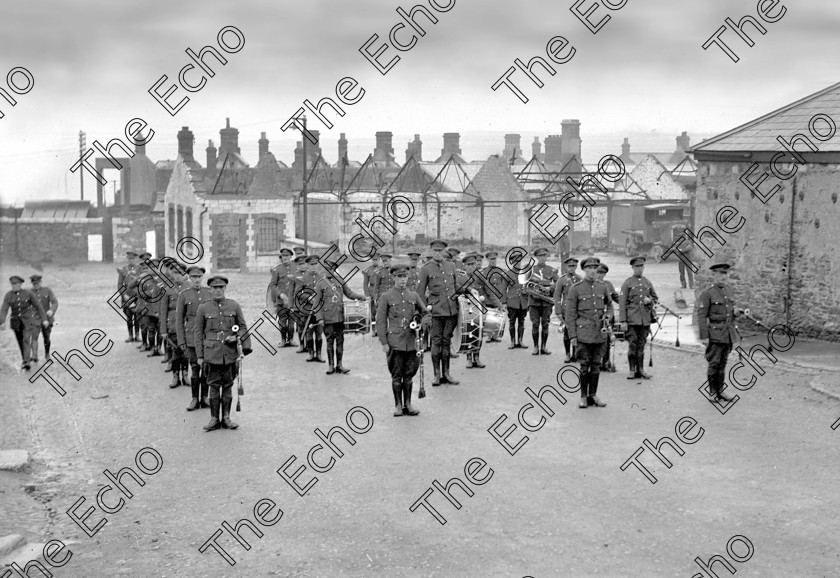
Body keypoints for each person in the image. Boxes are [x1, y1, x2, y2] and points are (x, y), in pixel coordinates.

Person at [195, 275, 252, 431]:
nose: (218, 291)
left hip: (229, 353)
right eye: (215, 288)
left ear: (225, 288)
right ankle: (214, 419)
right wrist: (200, 356)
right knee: (213, 386)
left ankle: (226, 418)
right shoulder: (203, 308)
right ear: (210, 289)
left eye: (221, 288)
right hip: (211, 354)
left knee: (227, 386)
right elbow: (198, 333)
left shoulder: (234, 306)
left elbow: (243, 327)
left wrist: (237, 337)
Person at [377, 265, 428, 416]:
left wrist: (421, 324)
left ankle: (408, 404)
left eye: (405, 277)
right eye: (399, 277)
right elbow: (380, 321)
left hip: (411, 341)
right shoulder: (386, 296)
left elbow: (426, 314)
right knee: (396, 374)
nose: (402, 280)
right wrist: (384, 343)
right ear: (393, 278)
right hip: (395, 341)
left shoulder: (413, 295)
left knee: (409, 374)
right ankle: (398, 405)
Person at [416, 239, 468, 386]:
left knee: (446, 342)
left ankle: (447, 373)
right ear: (431, 251)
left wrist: (469, 291)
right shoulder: (426, 269)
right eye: (435, 251)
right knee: (436, 342)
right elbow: (419, 294)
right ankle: (436, 375)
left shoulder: (450, 266)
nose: (438, 253)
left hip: (451, 310)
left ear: (445, 251)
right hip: (436, 312)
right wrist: (425, 313)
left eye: (440, 251)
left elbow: (455, 285)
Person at [565, 257, 611, 408]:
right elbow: (570, 315)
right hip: (583, 334)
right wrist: (572, 336)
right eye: (590, 268)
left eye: (595, 268)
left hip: (599, 334)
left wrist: (608, 316)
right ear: (584, 270)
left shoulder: (602, 287)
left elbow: (609, 305)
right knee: (584, 366)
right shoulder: (576, 288)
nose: (593, 271)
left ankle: (593, 395)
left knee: (596, 366)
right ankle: (583, 396)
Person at [697, 261, 744, 402]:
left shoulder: (729, 291)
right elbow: (701, 316)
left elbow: (730, 312)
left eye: (725, 274)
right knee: (714, 363)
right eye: (720, 274)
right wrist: (704, 337)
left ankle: (720, 391)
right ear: (714, 275)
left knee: (723, 363)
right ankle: (712, 392)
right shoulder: (707, 294)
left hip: (727, 333)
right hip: (715, 334)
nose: (723, 277)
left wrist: (736, 312)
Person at [315, 258, 366, 374]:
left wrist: (362, 297)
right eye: (327, 269)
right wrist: (320, 318)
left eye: (331, 269)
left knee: (340, 341)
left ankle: (340, 365)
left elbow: (350, 294)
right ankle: (331, 366)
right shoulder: (320, 284)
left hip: (339, 316)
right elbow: (316, 303)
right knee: (329, 341)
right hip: (327, 318)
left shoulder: (340, 281)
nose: (329, 271)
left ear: (334, 269)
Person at [176, 266, 212, 411]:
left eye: (199, 277)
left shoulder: (209, 293)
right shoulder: (183, 295)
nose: (197, 280)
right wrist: (181, 341)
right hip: (191, 338)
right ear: (189, 278)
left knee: (207, 369)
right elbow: (179, 320)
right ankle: (194, 399)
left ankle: (205, 396)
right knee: (195, 368)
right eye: (193, 277)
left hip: (207, 337)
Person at [619, 256, 659, 380]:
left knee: (641, 345)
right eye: (637, 267)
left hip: (644, 319)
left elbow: (656, 299)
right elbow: (622, 303)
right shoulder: (628, 283)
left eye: (641, 266)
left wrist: (650, 300)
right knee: (633, 344)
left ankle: (640, 370)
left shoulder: (647, 282)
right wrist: (623, 321)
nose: (639, 269)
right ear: (632, 267)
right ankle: (632, 370)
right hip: (632, 319)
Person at [0, 275, 48, 370]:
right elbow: (4, 309)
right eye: (12, 284)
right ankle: (25, 359)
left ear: (20, 284)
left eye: (16, 284)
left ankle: (26, 362)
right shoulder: (8, 295)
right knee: (20, 341)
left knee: (26, 339)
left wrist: (44, 319)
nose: (14, 286)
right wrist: (2, 322)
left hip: (28, 322)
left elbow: (38, 306)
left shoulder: (28, 293)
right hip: (16, 323)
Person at [160, 262, 188, 388]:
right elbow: (163, 311)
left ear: (184, 274)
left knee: (186, 351)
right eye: (175, 273)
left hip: (187, 324)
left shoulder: (189, 288)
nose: (177, 276)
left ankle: (185, 375)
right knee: (175, 351)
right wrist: (163, 330)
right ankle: (176, 376)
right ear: (172, 274)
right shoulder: (167, 289)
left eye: (180, 273)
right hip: (172, 324)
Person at [527, 247, 558, 355]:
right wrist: (534, 289)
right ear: (536, 257)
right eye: (540, 256)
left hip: (546, 302)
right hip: (534, 302)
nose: (542, 258)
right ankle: (536, 347)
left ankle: (543, 347)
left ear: (546, 257)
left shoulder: (552, 270)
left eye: (544, 256)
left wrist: (550, 288)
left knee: (545, 325)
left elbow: (557, 283)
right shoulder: (531, 270)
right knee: (535, 324)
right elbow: (525, 285)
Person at [553, 257, 581, 362]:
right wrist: (558, 311)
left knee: (577, 332)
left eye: (573, 266)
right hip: (566, 310)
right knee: (567, 333)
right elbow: (557, 296)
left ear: (576, 267)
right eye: (569, 266)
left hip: (578, 310)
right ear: (566, 267)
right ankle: (567, 354)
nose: (571, 268)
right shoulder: (562, 280)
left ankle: (575, 354)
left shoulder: (579, 279)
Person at [271, 248, 298, 347]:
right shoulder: (277, 270)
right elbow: (273, 285)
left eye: (287, 256)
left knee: (291, 322)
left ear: (291, 257)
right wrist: (279, 295)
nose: (285, 258)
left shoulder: (296, 268)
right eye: (283, 256)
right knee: (282, 322)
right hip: (281, 301)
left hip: (292, 301)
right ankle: (283, 340)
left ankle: (291, 339)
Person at [29, 274, 58, 363]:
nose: (36, 285)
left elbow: (55, 302)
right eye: (34, 284)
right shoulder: (29, 292)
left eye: (37, 283)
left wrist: (52, 310)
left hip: (47, 318)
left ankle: (47, 354)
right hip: (35, 319)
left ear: (41, 282)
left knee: (46, 337)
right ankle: (34, 355)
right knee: (34, 337)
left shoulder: (47, 290)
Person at [596, 264, 620, 372]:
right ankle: (596, 361)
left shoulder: (608, 285)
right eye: (598, 273)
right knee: (595, 340)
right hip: (596, 317)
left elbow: (615, 298)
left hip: (608, 317)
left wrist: (627, 303)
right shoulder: (592, 285)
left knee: (608, 340)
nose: (600, 275)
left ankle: (606, 361)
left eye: (602, 273)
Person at [301, 255, 325, 363]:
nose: (314, 267)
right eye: (311, 265)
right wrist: (308, 297)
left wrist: (320, 299)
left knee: (319, 333)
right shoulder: (304, 278)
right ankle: (311, 353)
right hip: (307, 309)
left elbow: (326, 292)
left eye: (315, 264)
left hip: (319, 310)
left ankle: (319, 354)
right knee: (309, 332)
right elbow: (298, 294)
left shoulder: (322, 277)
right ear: (308, 265)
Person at [117, 250, 140, 342]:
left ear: (135, 259)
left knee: (138, 316)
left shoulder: (140, 269)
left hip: (137, 296)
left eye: (133, 259)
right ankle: (130, 335)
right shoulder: (123, 270)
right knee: (129, 316)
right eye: (129, 259)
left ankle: (137, 335)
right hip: (127, 296)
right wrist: (123, 295)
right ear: (127, 259)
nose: (131, 260)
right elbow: (119, 284)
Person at [504, 263, 528, 349]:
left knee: (521, 322)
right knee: (512, 322)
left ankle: (520, 341)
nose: (518, 264)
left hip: (522, 302)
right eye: (516, 261)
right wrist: (504, 302)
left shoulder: (524, 273)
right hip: (512, 302)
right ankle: (512, 341)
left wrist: (526, 291)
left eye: (519, 261)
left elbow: (528, 286)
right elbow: (503, 289)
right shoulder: (508, 274)